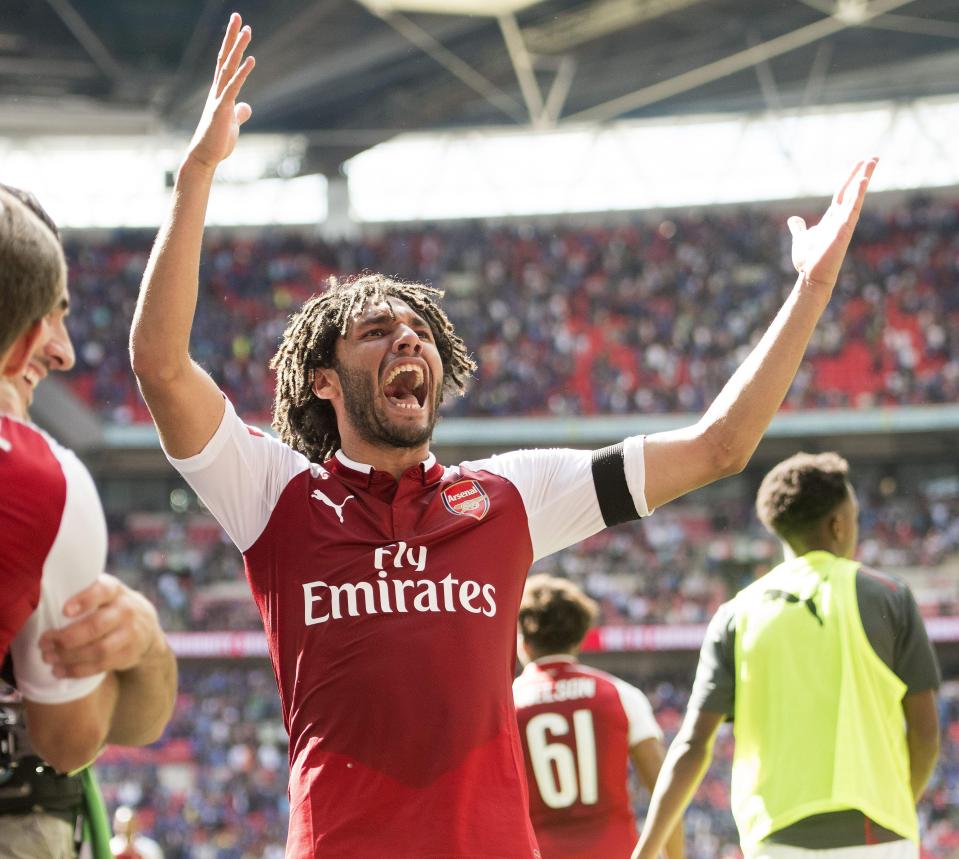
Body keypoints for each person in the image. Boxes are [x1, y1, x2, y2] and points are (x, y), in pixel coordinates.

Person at [130, 11, 875, 855]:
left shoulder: (509, 494)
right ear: (323, 382)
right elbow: (160, 364)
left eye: (417, 331)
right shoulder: (274, 494)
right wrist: (197, 173)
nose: (406, 337)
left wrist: (809, 290)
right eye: (375, 331)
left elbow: (718, 446)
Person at [633, 452, 941, 859]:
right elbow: (925, 734)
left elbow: (692, 746)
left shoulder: (734, 615)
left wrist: (647, 848)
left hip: (774, 839)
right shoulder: (890, 596)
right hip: (877, 833)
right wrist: (896, 805)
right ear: (838, 524)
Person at [0, 184, 177, 857]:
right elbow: (71, 739)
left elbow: (141, 718)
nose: (67, 351)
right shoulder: (44, 486)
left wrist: (146, 647)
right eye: (49, 314)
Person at [514, 574, 683, 858]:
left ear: (524, 642)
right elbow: (665, 790)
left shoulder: (506, 705)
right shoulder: (621, 694)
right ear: (579, 639)